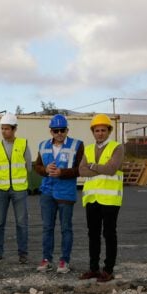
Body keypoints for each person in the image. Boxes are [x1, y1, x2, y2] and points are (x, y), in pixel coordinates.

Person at [34, 114, 84, 274]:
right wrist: (45, 170)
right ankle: (46, 259)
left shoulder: (77, 145)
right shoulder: (43, 146)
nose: (59, 133)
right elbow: (37, 166)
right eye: (56, 131)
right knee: (47, 227)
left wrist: (62, 172)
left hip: (65, 193)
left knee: (65, 228)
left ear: (67, 130)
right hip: (47, 192)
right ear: (51, 131)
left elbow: (81, 169)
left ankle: (64, 260)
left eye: (62, 130)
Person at [78, 114, 123, 282]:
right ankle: (94, 268)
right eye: (97, 130)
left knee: (109, 234)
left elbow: (111, 169)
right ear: (93, 132)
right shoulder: (88, 149)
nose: (100, 133)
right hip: (92, 199)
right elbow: (81, 170)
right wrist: (99, 168)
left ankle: (108, 269)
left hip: (110, 199)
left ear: (109, 131)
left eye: (103, 130)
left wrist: (92, 166)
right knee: (93, 234)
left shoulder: (117, 147)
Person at [0, 112, 31, 264]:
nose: (4, 131)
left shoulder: (23, 144)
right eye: (2, 128)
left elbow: (29, 166)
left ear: (14, 129)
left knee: (21, 223)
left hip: (19, 189)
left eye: (7, 129)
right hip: (1, 189)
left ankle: (23, 254)